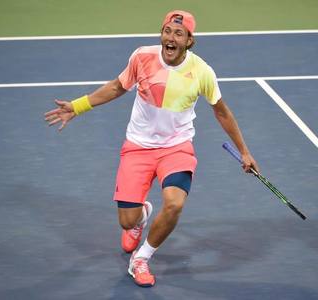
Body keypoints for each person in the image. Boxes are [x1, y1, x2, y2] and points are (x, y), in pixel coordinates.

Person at [44, 10, 260, 288]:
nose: (170, 38)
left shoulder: (202, 72)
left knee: (174, 204)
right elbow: (116, 88)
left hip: (176, 148)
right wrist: (77, 106)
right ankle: (140, 217)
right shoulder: (142, 57)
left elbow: (222, 112)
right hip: (138, 147)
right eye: (167, 31)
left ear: (189, 41)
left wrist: (245, 151)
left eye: (178, 34)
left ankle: (141, 258)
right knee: (126, 221)